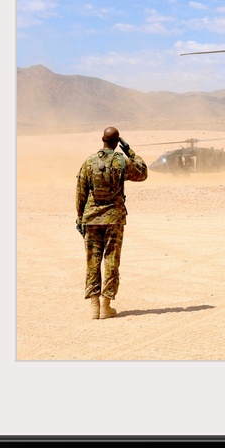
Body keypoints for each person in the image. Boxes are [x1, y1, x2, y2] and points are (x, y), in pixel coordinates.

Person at [75, 126, 148, 319]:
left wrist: (80, 217)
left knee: (92, 260)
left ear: (102, 140)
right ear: (117, 143)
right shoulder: (121, 162)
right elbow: (142, 172)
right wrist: (129, 150)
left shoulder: (89, 162)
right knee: (111, 259)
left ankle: (94, 306)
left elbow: (80, 192)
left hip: (91, 219)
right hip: (114, 219)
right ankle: (106, 305)